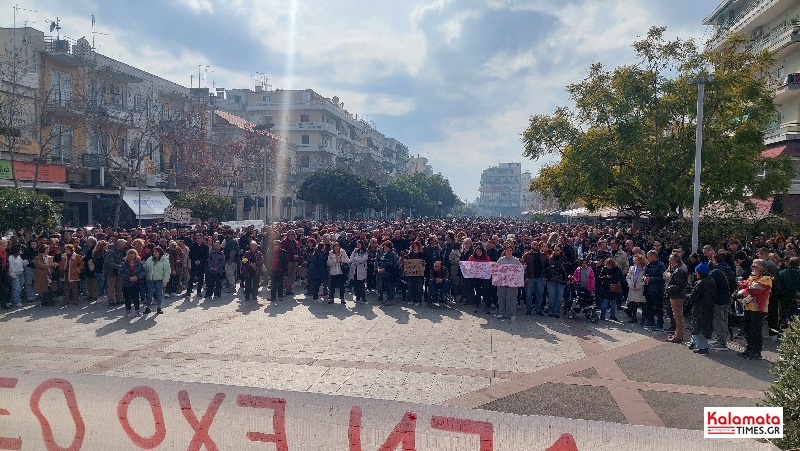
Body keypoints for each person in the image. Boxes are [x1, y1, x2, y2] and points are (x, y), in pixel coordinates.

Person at [736, 259, 773, 360]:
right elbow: (744, 285)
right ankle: (749, 349)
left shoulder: (766, 279)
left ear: (762, 268)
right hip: (748, 307)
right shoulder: (753, 278)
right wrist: (746, 285)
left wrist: (746, 285)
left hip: (758, 309)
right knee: (748, 329)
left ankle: (756, 352)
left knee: (756, 331)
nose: (752, 267)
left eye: (755, 266)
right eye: (752, 266)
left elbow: (755, 289)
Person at [687, 262, 716, 354]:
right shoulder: (712, 281)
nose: (695, 274)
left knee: (698, 326)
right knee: (705, 326)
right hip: (709, 307)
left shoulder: (700, 283)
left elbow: (694, 297)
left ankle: (702, 347)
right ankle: (696, 343)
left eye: (696, 272)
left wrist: (689, 298)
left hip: (700, 308)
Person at [495, 242, 523, 320]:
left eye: (511, 250)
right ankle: (501, 313)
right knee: (501, 297)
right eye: (508, 250)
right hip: (502, 282)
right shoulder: (501, 260)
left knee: (512, 298)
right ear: (505, 251)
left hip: (512, 283)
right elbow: (497, 269)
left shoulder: (516, 260)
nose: (509, 252)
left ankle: (512, 313)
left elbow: (520, 269)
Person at [664, 254, 688, 343]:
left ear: (674, 260)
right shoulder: (681, 268)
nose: (669, 262)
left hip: (677, 296)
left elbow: (679, 285)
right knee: (678, 316)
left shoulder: (679, 270)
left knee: (677, 316)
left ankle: (678, 336)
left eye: (670, 260)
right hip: (677, 295)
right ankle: (677, 334)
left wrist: (668, 288)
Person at [642, 250, 666, 330]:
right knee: (649, 306)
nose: (647, 258)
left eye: (648, 256)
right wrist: (645, 278)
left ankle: (660, 322)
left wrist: (652, 279)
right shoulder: (648, 264)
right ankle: (650, 321)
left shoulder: (660, 265)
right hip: (648, 288)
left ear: (653, 256)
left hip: (657, 289)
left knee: (658, 307)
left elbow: (663, 277)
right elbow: (644, 274)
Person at [119, 249, 146, 316]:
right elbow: (120, 273)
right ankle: (128, 310)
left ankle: (137, 310)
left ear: (135, 255)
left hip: (136, 283)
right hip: (126, 283)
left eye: (133, 253)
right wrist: (129, 278)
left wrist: (137, 277)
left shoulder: (139, 264)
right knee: (127, 297)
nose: (131, 255)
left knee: (136, 297)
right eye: (130, 253)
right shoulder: (124, 264)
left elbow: (143, 272)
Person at [522, 241, 546, 316]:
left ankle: (538, 309)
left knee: (540, 294)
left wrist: (544, 276)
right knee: (529, 294)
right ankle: (528, 309)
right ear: (531, 245)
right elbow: (524, 268)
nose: (536, 246)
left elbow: (545, 266)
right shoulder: (527, 255)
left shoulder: (542, 255)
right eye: (534, 245)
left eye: (537, 245)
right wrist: (526, 277)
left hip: (540, 277)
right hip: (530, 277)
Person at [545, 244, 569, 318]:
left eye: (558, 250)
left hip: (561, 281)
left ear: (561, 251)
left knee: (559, 298)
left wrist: (556, 267)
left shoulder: (564, 259)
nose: (556, 251)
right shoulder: (550, 258)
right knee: (551, 297)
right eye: (555, 250)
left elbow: (565, 269)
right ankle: (550, 310)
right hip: (551, 280)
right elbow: (547, 268)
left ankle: (556, 311)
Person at [143, 247, 170, 314]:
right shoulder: (149, 259)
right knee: (149, 294)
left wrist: (165, 281)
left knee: (159, 294)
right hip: (150, 279)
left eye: (156, 252)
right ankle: (148, 307)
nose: (154, 253)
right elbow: (145, 268)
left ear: (160, 252)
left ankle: (159, 307)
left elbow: (167, 271)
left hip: (159, 280)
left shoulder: (165, 261)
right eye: (153, 251)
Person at [468, 245, 492, 314]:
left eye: (480, 251)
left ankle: (487, 306)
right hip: (476, 277)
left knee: (486, 291)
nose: (479, 253)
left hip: (484, 278)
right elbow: (468, 264)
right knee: (477, 291)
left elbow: (489, 266)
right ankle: (477, 305)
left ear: (482, 252)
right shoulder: (472, 257)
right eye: (477, 251)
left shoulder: (486, 258)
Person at [104, 239, 126, 306]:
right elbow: (109, 263)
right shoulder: (111, 251)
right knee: (111, 287)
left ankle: (119, 299)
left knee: (119, 286)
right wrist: (119, 266)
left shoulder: (119, 251)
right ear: (120, 245)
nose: (124, 247)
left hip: (117, 272)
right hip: (111, 272)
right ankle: (111, 300)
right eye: (124, 245)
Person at [378, 241, 400, 306]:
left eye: (385, 247)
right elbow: (382, 261)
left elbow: (393, 264)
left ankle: (391, 299)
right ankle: (388, 298)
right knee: (386, 287)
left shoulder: (392, 254)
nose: (384, 249)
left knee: (390, 287)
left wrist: (384, 268)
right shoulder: (386, 253)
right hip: (385, 273)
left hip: (390, 274)